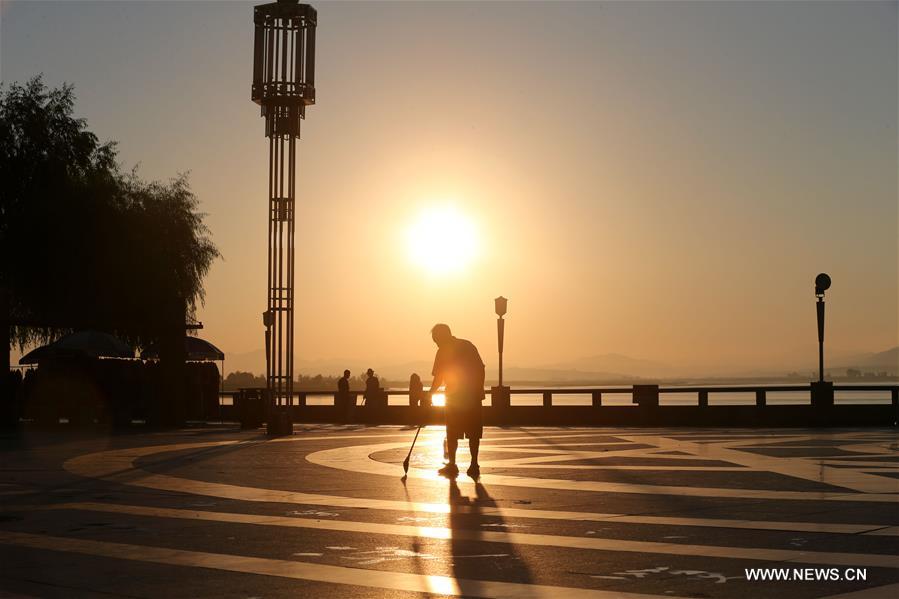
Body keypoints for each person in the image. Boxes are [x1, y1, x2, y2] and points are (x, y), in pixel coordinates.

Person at [428, 323, 485, 479]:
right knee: (473, 432)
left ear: (443, 336)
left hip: (455, 397)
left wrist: (430, 393)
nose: (436, 343)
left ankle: (453, 464)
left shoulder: (442, 352)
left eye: (436, 340)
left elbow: (438, 377)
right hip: (472, 396)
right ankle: (474, 463)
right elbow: (481, 369)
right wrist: (478, 390)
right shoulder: (468, 345)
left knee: (452, 431)